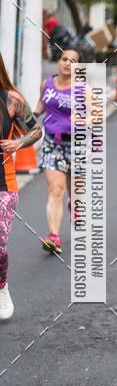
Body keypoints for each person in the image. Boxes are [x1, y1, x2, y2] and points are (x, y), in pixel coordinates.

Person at [0, 56, 43, 318]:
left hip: (3, 184)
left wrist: (18, 143)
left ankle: (1, 287)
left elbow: (37, 130)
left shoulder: (11, 99)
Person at [36, 47, 84, 255]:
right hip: (52, 143)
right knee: (56, 189)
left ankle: (76, 204)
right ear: (59, 61)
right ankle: (53, 236)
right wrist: (33, 114)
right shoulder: (46, 84)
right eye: (64, 59)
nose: (67, 63)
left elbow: (98, 115)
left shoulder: (83, 89)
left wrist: (85, 119)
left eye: (73, 61)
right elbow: (41, 104)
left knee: (76, 190)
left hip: (77, 145)